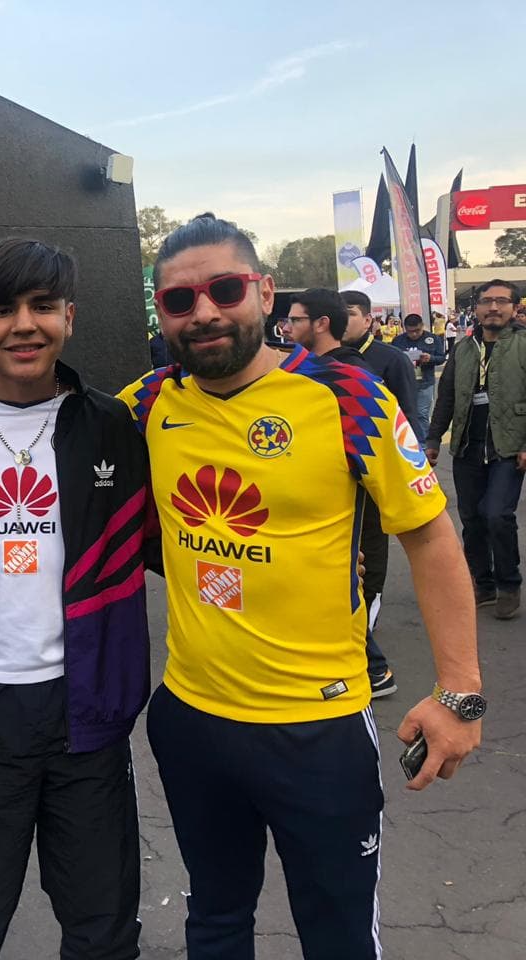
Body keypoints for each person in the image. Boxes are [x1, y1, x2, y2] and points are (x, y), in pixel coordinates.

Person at [122, 213, 482, 960]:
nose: (205, 312)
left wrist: (459, 692)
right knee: (216, 921)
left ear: (262, 290)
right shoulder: (148, 403)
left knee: (339, 934)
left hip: (317, 730)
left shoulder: (347, 398)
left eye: (225, 289)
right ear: (160, 312)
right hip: (192, 719)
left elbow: (432, 538)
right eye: (180, 301)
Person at [0, 238, 157, 960]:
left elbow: (182, 539)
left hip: (88, 712)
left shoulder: (114, 426)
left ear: (69, 318)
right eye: (3, 310)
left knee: (104, 931)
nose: (24, 325)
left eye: (42, 307)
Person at [426, 278, 526, 621]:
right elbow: (447, 398)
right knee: (471, 519)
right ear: (477, 308)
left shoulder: (523, 344)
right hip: (468, 445)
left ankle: (509, 583)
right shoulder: (463, 349)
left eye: (501, 301)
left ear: (514, 307)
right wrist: (432, 440)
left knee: (497, 514)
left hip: (508, 446)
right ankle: (483, 584)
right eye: (486, 301)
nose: (493, 307)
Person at [342, 289, 420, 696]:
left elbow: (406, 417)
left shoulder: (391, 360)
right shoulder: (322, 363)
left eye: (351, 313)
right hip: (337, 482)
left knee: (370, 556)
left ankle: (369, 653)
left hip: (378, 476)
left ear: (369, 319)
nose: (343, 319)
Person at [398, 313, 445, 445]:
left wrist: (431, 358)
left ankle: (424, 444)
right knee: (406, 413)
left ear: (422, 326)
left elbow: (441, 358)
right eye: (410, 331)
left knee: (422, 414)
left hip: (425, 382)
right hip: (405, 384)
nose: (414, 334)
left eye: (417, 331)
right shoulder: (398, 341)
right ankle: (409, 441)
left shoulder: (433, 339)